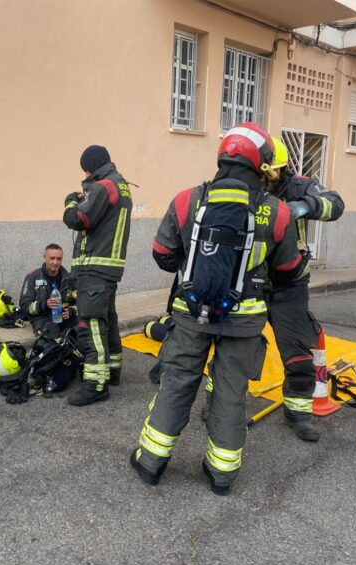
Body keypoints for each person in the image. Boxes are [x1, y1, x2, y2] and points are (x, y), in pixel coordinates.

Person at [130, 123, 308, 495]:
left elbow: (163, 256)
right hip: (244, 322)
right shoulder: (278, 213)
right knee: (230, 392)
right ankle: (221, 473)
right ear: (261, 165)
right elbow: (288, 271)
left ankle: (151, 461)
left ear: (222, 157)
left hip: (192, 314)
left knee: (177, 383)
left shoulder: (186, 200)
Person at [264, 136, 345, 441]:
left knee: (298, 353)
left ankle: (298, 413)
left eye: (271, 174)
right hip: (251, 282)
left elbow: (335, 204)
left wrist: (306, 205)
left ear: (282, 170)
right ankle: (217, 405)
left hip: (290, 284)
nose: (265, 181)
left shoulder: (300, 186)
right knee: (234, 349)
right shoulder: (247, 184)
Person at [63, 145, 132, 406]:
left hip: (95, 268)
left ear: (91, 166)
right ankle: (112, 371)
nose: (86, 173)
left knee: (91, 325)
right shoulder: (120, 184)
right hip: (108, 268)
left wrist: (71, 201)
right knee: (107, 319)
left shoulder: (103, 187)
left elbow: (77, 218)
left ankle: (96, 384)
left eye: (86, 169)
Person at [18, 243, 77, 338]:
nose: (55, 262)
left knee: (82, 331)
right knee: (52, 336)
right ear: (44, 257)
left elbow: (81, 302)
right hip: (42, 319)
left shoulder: (69, 278)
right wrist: (45, 304)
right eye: (52, 258)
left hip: (64, 317)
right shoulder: (33, 277)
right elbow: (24, 305)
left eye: (59, 259)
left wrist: (71, 311)